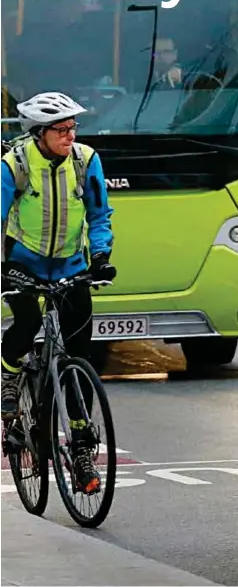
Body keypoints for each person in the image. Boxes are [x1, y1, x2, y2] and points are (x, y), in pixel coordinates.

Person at [1, 91, 116, 494]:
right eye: (61, 130)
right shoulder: (14, 165)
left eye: (73, 128)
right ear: (39, 133)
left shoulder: (86, 161)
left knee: (79, 355)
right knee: (28, 321)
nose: (70, 136)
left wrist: (100, 256)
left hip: (71, 265)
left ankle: (81, 444)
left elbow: (100, 214)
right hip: (22, 263)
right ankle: (9, 376)